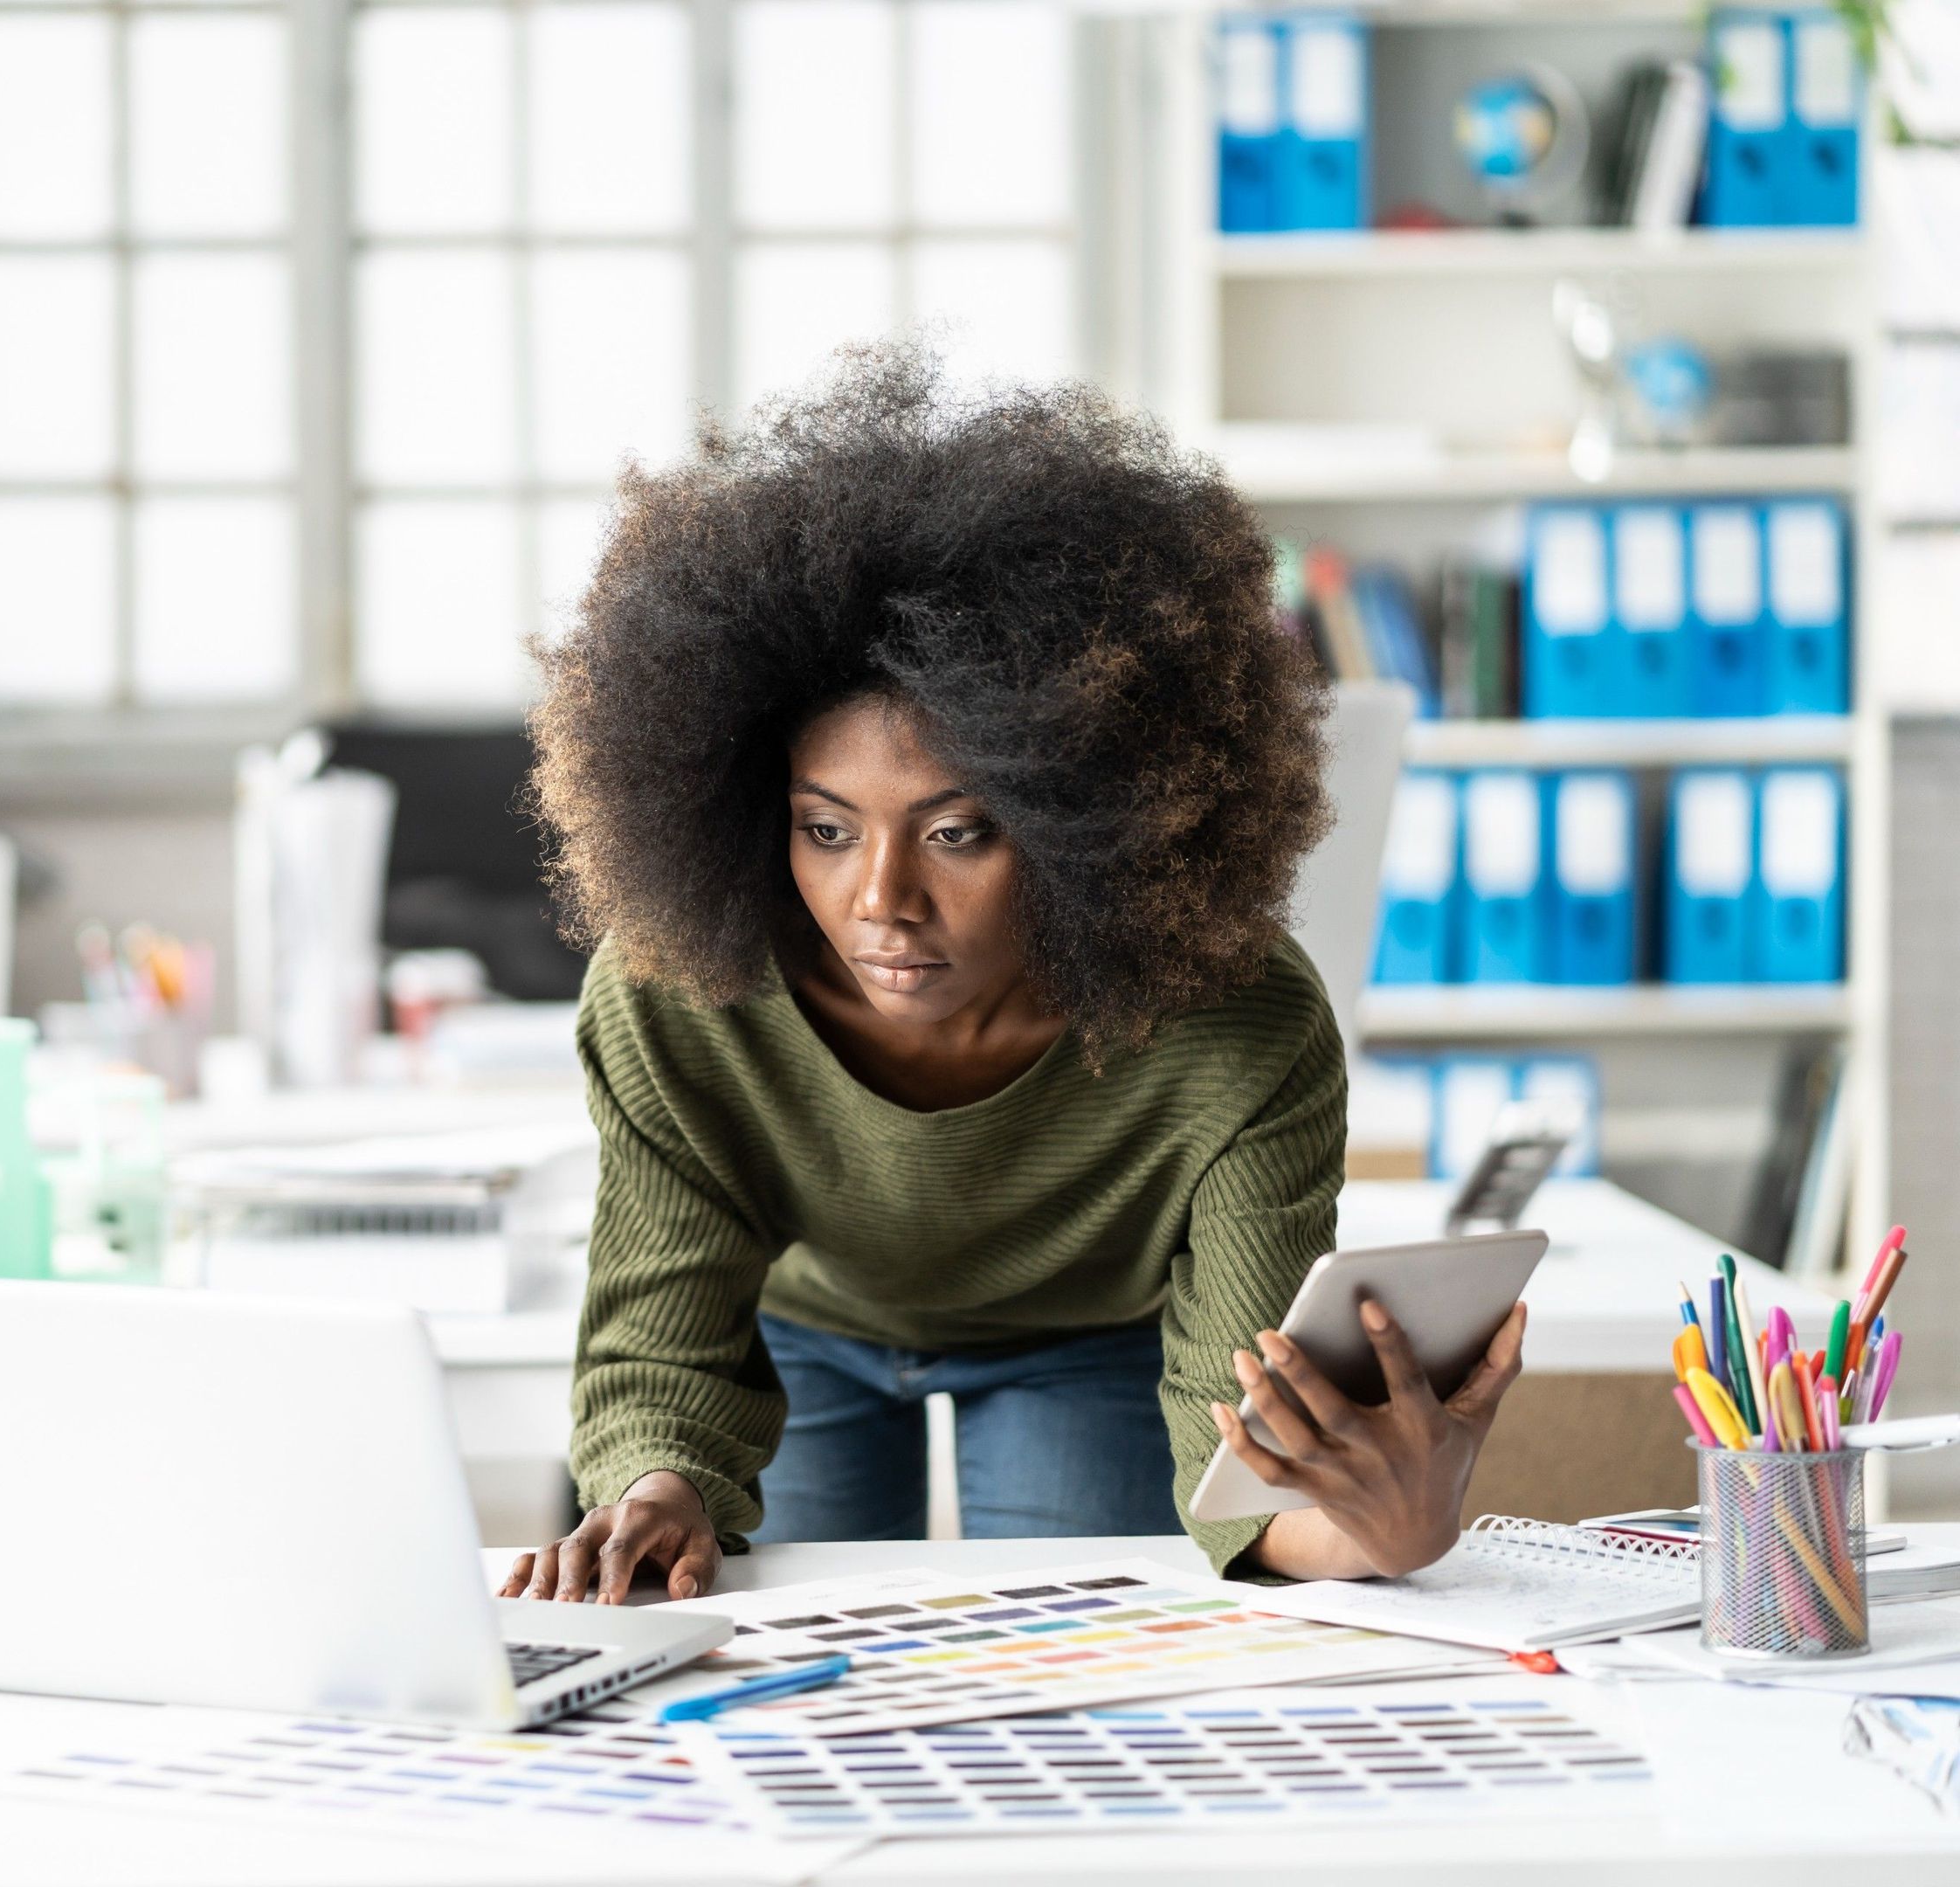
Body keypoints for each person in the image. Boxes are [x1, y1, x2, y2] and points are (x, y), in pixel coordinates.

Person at [502, 348, 1525, 1606]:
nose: (879, 900)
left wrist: (1387, 1530)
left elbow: (1245, 1478)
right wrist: (656, 1491)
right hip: (810, 1323)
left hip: (1082, 1338)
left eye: (957, 832)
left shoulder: (1236, 1026)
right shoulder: (682, 984)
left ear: (1087, 819)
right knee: (793, 1677)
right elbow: (660, 1342)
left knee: (1084, 1662)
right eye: (826, 830)